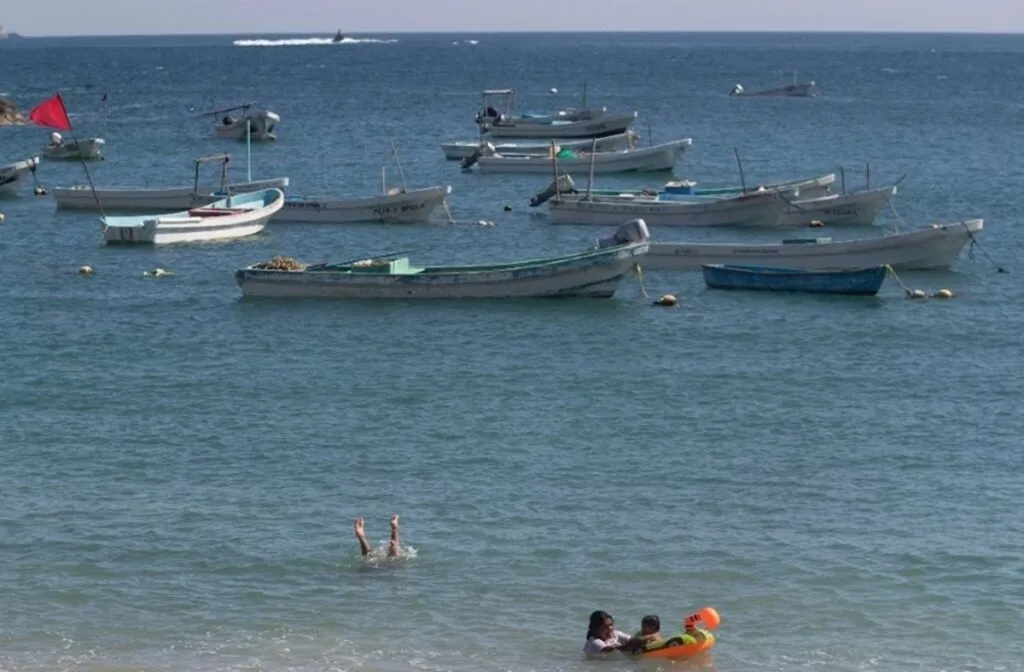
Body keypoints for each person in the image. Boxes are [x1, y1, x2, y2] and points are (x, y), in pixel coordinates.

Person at [583, 611, 653, 656]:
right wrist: (638, 644)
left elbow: (632, 640)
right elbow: (613, 651)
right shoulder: (594, 642)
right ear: (595, 629)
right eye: (605, 627)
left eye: (611, 625)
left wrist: (649, 637)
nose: (610, 629)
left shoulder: (615, 634)